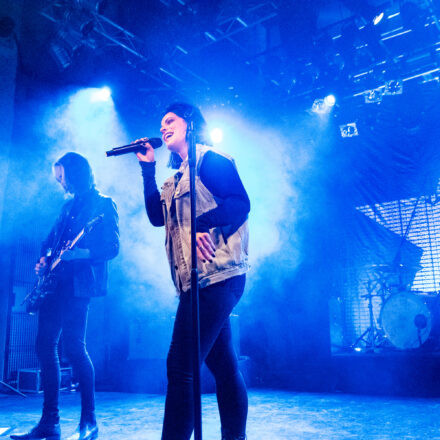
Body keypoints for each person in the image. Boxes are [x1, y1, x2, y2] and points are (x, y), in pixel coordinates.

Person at [136, 102, 250, 440]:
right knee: (222, 364)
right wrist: (147, 170)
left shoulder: (210, 159)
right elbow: (158, 217)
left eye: (170, 120)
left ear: (189, 122)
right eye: (161, 123)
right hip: (196, 281)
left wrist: (203, 222)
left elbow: (240, 203)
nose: (163, 128)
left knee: (181, 365)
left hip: (219, 275)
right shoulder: (177, 177)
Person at [11, 152, 119, 440]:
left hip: (79, 286)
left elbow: (112, 247)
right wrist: (44, 259)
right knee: (45, 345)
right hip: (55, 285)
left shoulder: (104, 204)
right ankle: (50, 422)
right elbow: (49, 242)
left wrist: (82, 253)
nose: (60, 184)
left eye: (62, 177)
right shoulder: (67, 207)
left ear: (74, 174)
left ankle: (89, 421)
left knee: (74, 348)